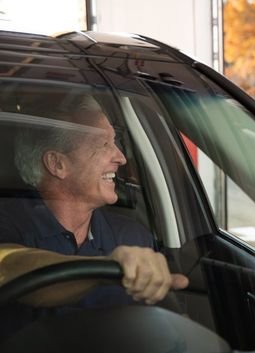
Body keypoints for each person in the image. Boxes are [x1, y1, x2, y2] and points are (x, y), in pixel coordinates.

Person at [0, 95, 188, 314]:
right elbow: (9, 265)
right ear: (57, 164)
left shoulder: (132, 237)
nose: (121, 158)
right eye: (103, 145)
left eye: (115, 142)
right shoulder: (9, 223)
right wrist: (107, 267)